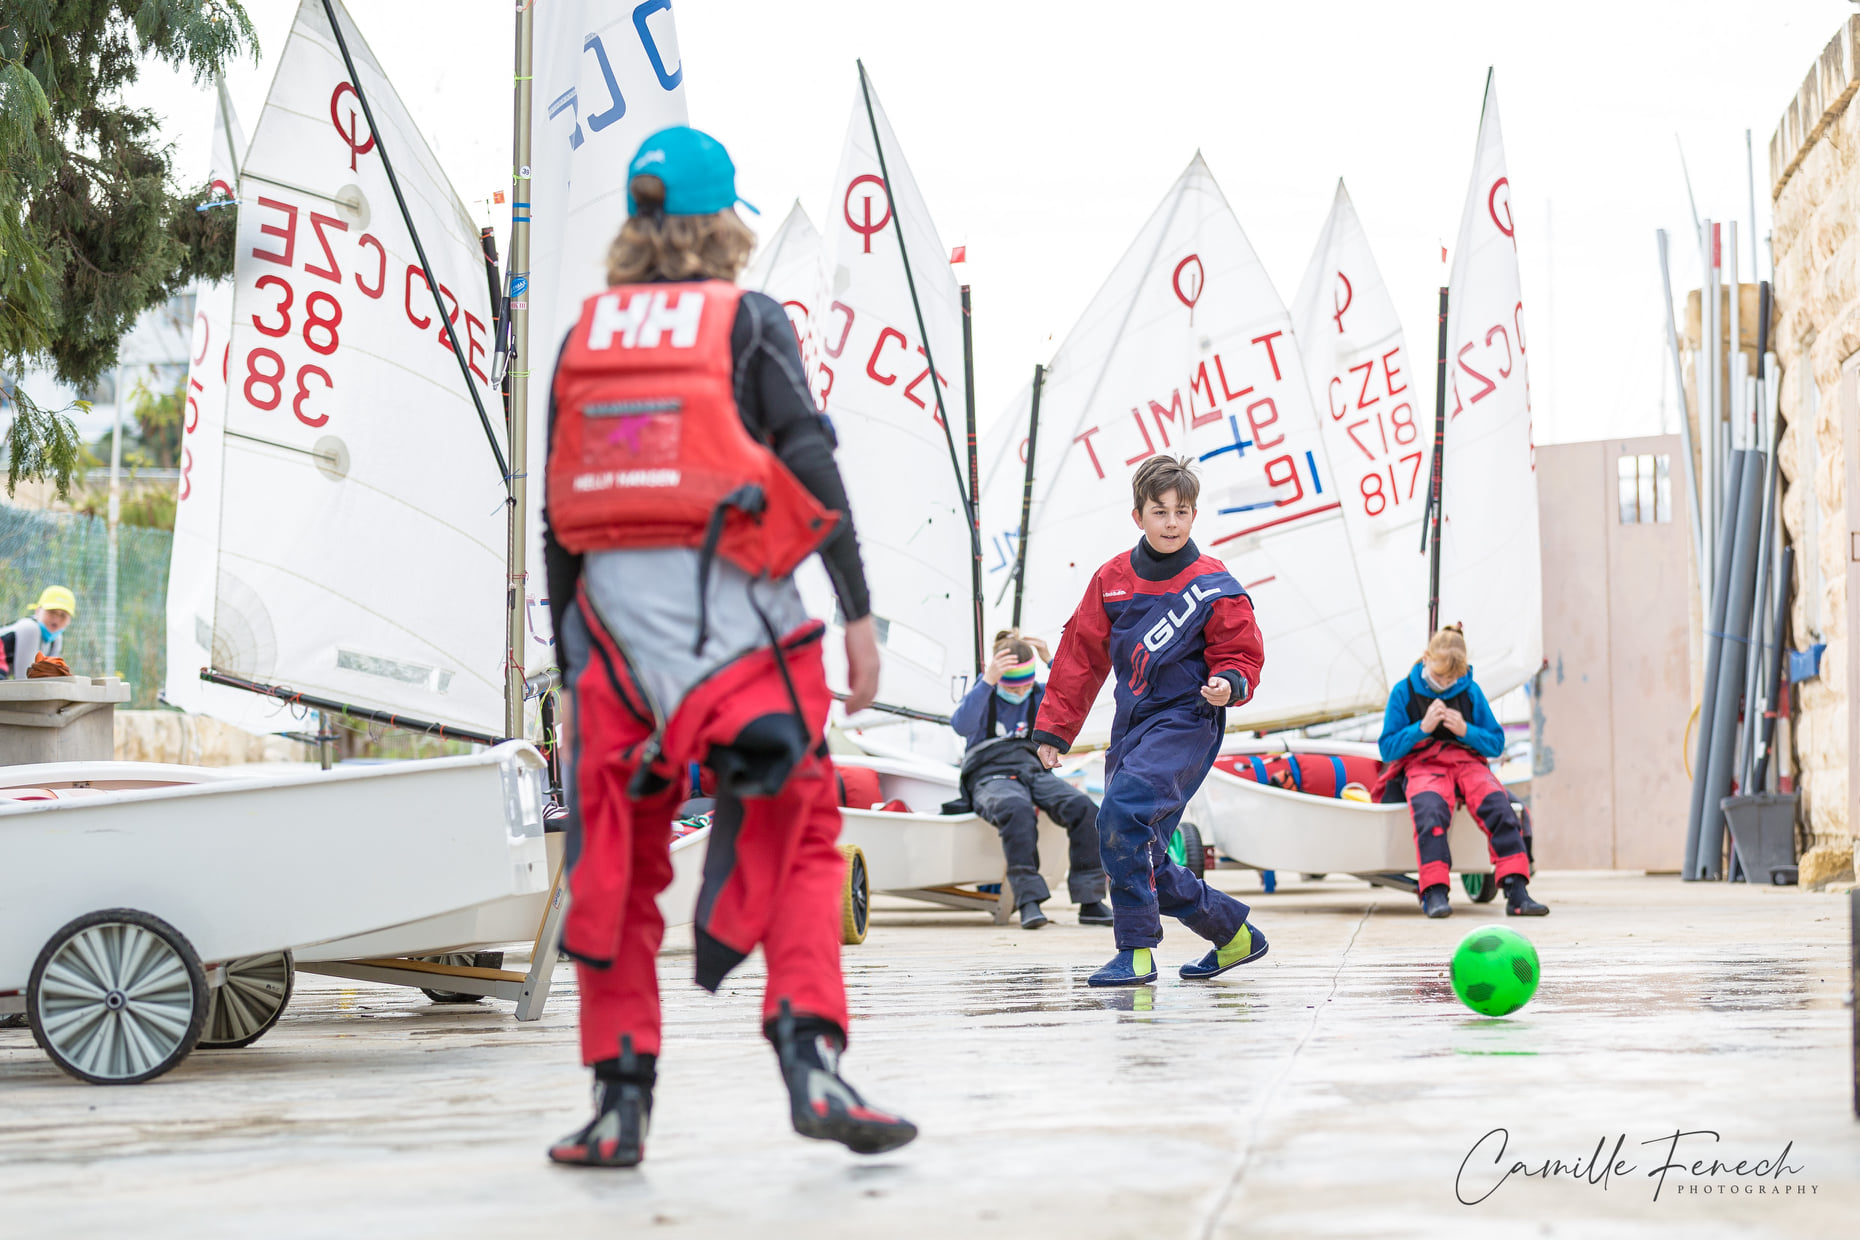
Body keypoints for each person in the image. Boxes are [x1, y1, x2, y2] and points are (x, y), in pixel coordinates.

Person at [542, 126, 916, 1168]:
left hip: (611, 649)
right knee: (803, 834)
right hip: (742, 645)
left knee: (614, 866)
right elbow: (808, 461)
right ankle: (812, 1062)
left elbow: (560, 520)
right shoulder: (748, 321)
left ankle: (618, 1107)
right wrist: (857, 613)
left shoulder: (581, 340)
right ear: (725, 224)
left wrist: (573, 672)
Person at [1030, 455, 1270, 987]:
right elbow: (1079, 656)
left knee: (1119, 817)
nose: (1171, 522)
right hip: (1132, 726)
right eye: (1159, 512)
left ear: (1194, 515)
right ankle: (1232, 933)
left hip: (1189, 721)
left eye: (1182, 512)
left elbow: (1241, 652)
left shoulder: (1215, 583)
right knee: (1137, 847)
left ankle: (1136, 951)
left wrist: (1229, 682)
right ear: (1137, 515)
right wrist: (1054, 730)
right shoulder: (1111, 579)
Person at [1375, 625, 1548, 919]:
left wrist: (1466, 730)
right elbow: (1388, 749)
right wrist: (1421, 728)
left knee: (1500, 806)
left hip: (1467, 764)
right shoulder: (1403, 692)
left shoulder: (1470, 690)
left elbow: (1495, 743)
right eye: (1440, 676)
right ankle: (1434, 893)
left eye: (1452, 679)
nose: (1446, 684)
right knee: (1430, 811)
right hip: (1424, 766)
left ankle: (1517, 891)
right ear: (1426, 659)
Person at [949, 629, 1111, 929]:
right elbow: (961, 725)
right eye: (1014, 687)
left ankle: (1090, 901)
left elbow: (1073, 691)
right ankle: (1029, 902)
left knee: (1085, 809)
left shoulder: (1038, 693)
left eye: (1026, 685)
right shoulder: (985, 693)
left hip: (1031, 768)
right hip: (989, 773)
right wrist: (987, 680)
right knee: (1016, 808)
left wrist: (1051, 661)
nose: (1021, 692)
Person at [2, 586, 75, 680]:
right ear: (38, 611)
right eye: (52, 612)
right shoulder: (30, 628)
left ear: (69, 620)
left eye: (63, 615)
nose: (56, 619)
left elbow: (52, 675)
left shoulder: (56, 638)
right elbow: (23, 678)